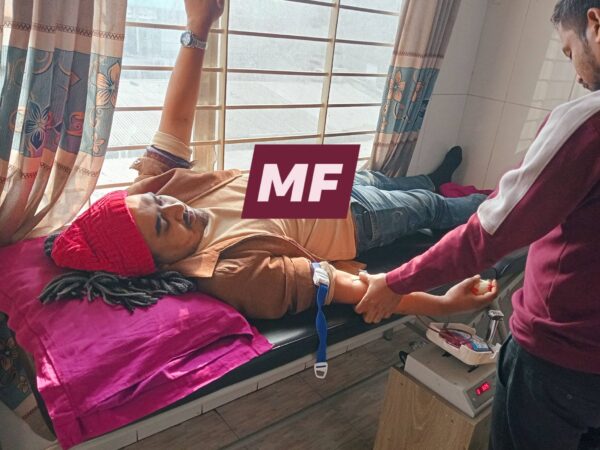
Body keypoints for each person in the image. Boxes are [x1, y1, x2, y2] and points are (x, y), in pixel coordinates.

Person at [44, 0, 496, 320]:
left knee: (390, 180)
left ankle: (433, 179)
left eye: (160, 204)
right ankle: (503, 206)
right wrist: (440, 306)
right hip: (352, 220)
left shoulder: (154, 191)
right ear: (155, 263)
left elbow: (175, 120)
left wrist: (198, 25)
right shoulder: (231, 273)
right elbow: (342, 287)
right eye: (164, 225)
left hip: (309, 181)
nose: (175, 208)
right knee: (429, 209)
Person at [355, 1, 600, 449]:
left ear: (596, 25)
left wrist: (396, 282)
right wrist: (433, 297)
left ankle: (454, 191)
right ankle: (451, 190)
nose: (578, 74)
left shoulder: (587, 123)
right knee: (415, 199)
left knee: (416, 201)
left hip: (562, 360)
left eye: (569, 52)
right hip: (583, 360)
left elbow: (486, 237)